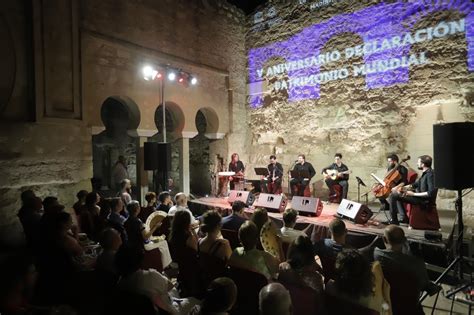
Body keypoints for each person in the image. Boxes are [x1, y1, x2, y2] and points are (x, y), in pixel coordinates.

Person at [116, 245, 199, 314]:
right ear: (140, 259)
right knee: (197, 303)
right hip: (169, 310)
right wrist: (161, 275)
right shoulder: (150, 276)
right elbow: (170, 286)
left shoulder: (120, 283)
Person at [374, 225, 441, 295]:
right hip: (407, 302)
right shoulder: (416, 264)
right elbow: (424, 286)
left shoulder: (375, 255)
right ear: (404, 240)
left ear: (384, 239)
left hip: (383, 299)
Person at [326, 249, 391, 314]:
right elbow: (387, 310)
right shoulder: (372, 302)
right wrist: (386, 296)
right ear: (367, 274)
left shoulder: (330, 287)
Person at [387, 155, 437, 225]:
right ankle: (404, 217)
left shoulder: (430, 175)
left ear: (423, 164)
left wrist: (413, 194)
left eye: (418, 162)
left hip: (423, 201)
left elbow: (431, 193)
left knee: (392, 195)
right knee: (396, 193)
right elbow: (414, 185)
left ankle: (394, 220)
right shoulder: (425, 173)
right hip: (419, 197)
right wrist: (402, 188)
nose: (417, 164)